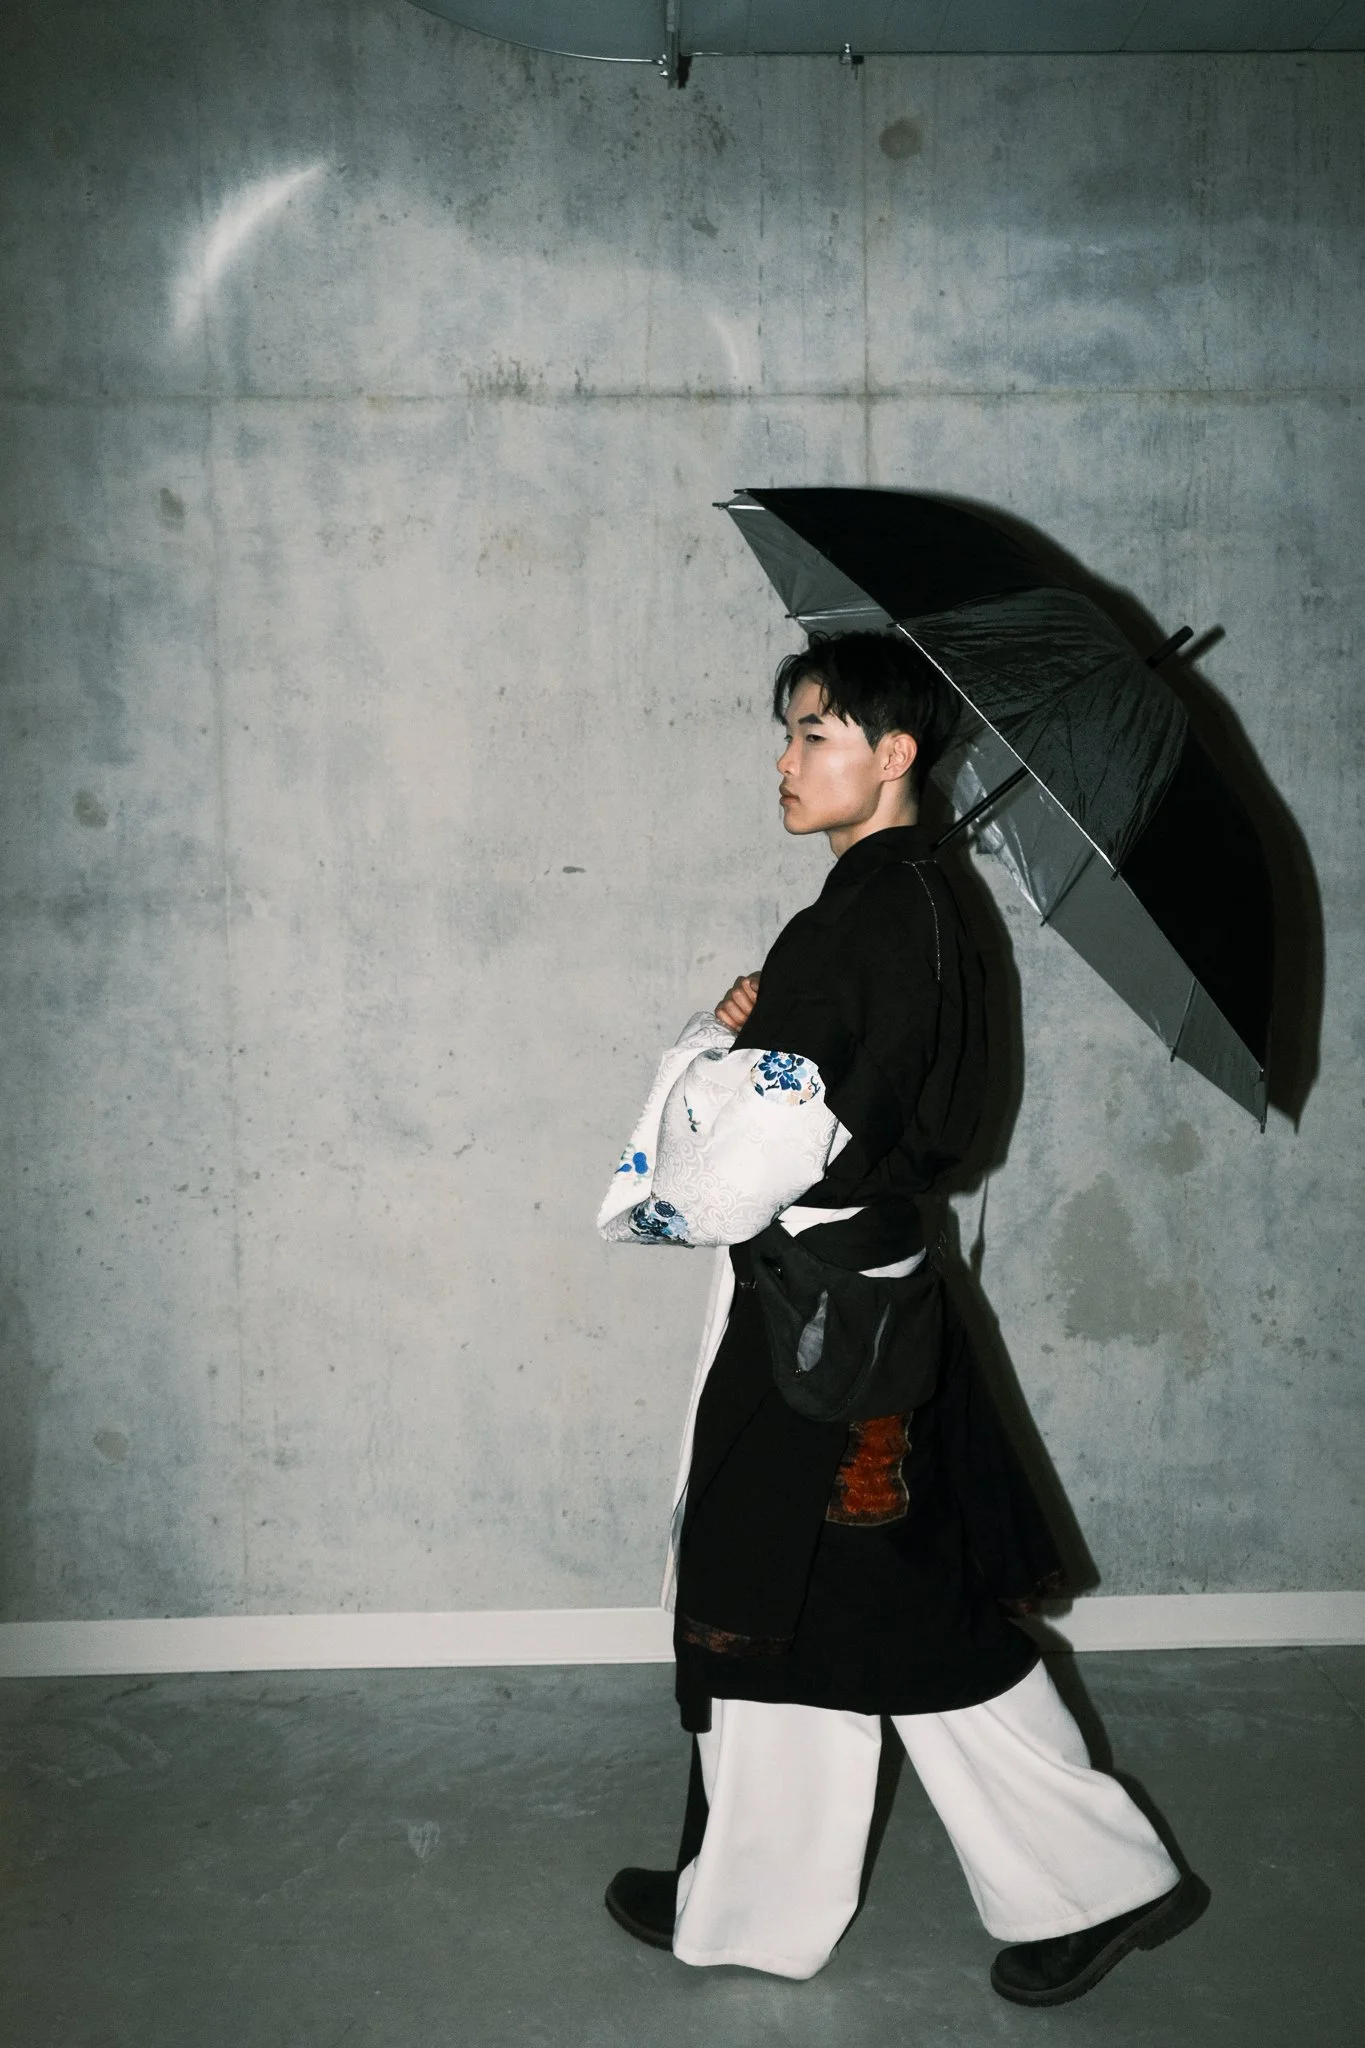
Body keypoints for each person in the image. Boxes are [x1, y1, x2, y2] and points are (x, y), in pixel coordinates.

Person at [596, 632, 1207, 2005]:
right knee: (803, 1607)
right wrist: (769, 1029)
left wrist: (710, 1050)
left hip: (820, 1332)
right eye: (791, 733)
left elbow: (727, 1185)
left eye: (816, 734)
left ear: (897, 755)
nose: (787, 759)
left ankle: (1094, 1883)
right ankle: (745, 1900)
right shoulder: (930, 906)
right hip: (862, 1308)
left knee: (857, 1613)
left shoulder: (863, 921)